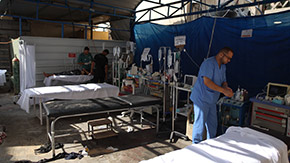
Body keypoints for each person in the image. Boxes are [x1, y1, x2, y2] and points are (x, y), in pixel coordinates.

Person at [190, 47, 234, 144]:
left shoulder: (223, 66)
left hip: (212, 100)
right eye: (228, 58)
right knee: (200, 125)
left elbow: (223, 81)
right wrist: (223, 91)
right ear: (221, 54)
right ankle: (195, 146)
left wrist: (226, 88)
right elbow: (207, 82)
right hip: (201, 98)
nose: (229, 61)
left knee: (212, 125)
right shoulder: (208, 63)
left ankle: (211, 145)